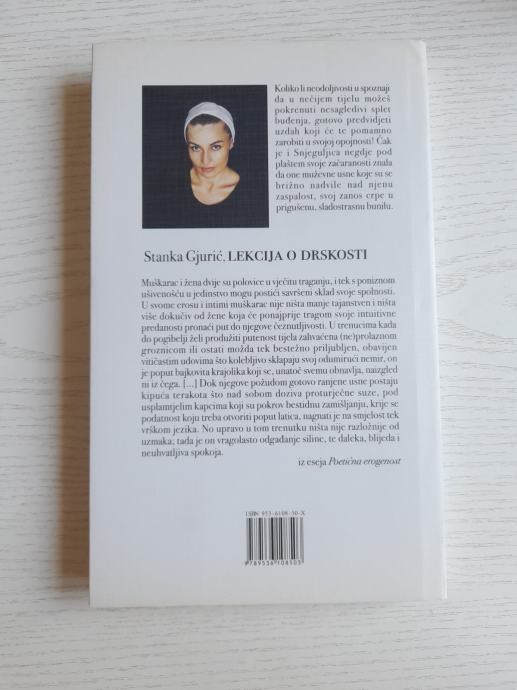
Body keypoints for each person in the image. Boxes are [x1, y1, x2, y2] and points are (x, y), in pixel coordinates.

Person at [184, 102, 240, 206]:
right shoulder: (170, 186)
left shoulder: (253, 191)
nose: (205, 160)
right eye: (196, 148)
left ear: (231, 143)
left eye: (215, 147)